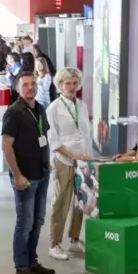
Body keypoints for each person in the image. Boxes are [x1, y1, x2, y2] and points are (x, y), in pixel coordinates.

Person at [2, 72, 56, 274]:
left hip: (42, 174)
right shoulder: (14, 113)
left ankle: (32, 261)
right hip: (25, 177)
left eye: (33, 83)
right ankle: (21, 267)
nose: (30, 87)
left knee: (38, 220)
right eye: (25, 84)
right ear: (18, 88)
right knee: (24, 222)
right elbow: (7, 146)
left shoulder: (40, 109)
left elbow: (44, 139)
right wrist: (17, 175)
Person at [46, 68, 93, 261]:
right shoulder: (53, 108)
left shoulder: (81, 105)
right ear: (60, 85)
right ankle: (54, 243)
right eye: (68, 83)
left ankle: (74, 239)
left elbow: (86, 134)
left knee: (81, 200)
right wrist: (72, 155)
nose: (72, 87)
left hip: (83, 160)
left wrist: (88, 158)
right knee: (61, 201)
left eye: (75, 83)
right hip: (64, 160)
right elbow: (54, 140)